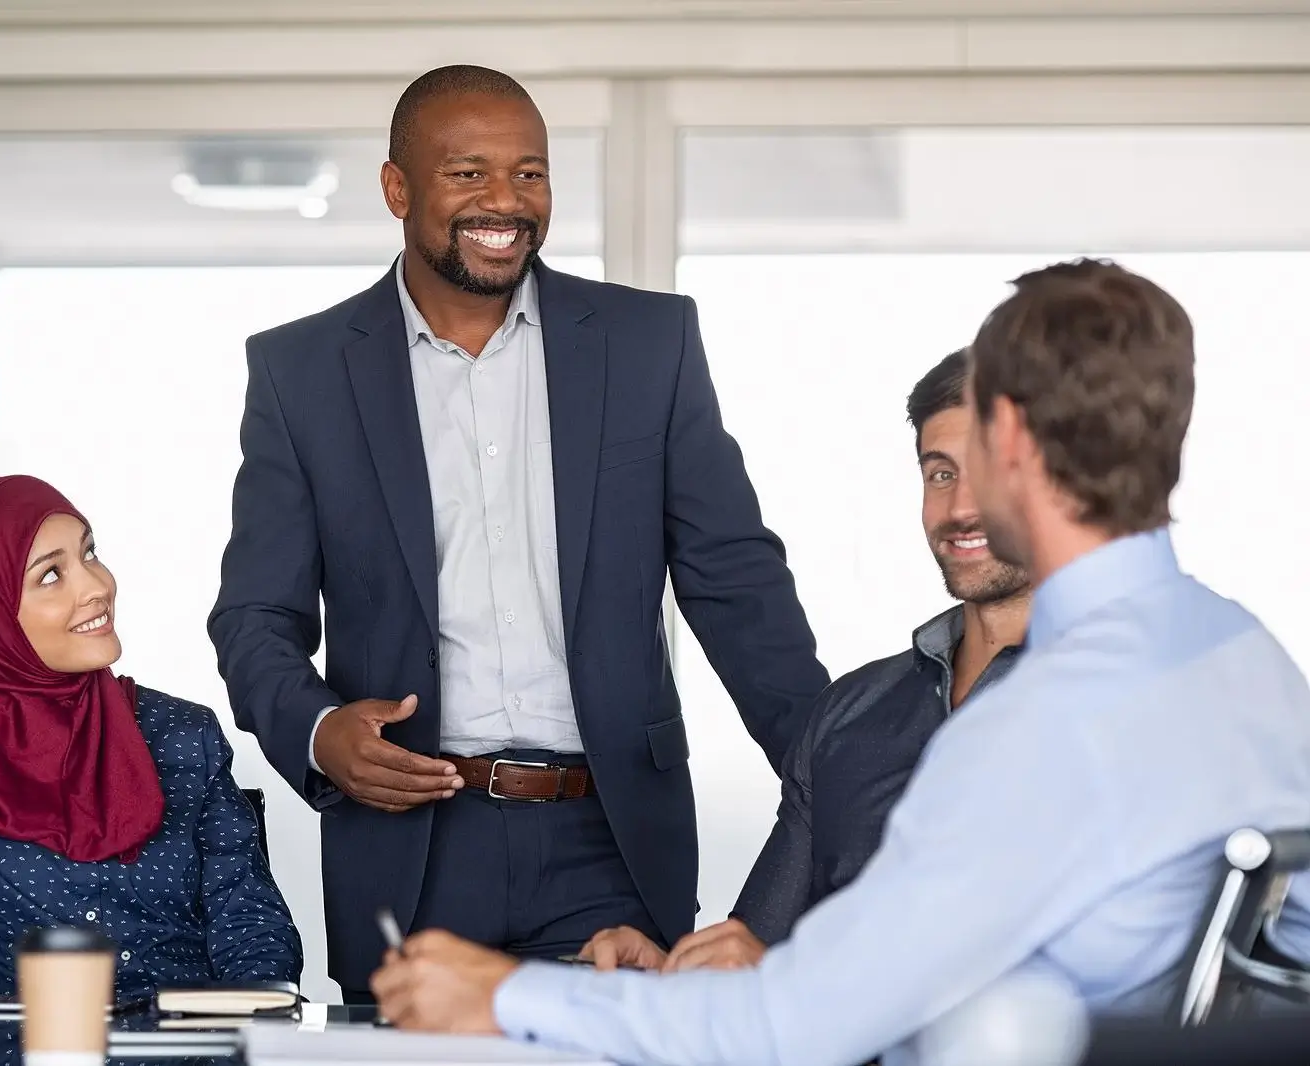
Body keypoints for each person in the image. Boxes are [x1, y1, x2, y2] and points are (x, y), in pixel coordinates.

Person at [368, 258, 1310, 1066]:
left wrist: (506, 996)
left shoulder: (1036, 727)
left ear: (1010, 438)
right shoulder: (1248, 661)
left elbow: (797, 1031)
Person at [209, 64, 828, 998]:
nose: (506, 201)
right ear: (397, 188)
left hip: (609, 837)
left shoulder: (647, 343)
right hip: (412, 841)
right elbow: (255, 616)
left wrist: (841, 767)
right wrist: (318, 727)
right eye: (468, 174)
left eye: (530, 174)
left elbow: (734, 579)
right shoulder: (302, 372)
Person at [582, 349, 1032, 974]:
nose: (960, 509)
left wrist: (788, 984)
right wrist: (668, 978)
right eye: (941, 473)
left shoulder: (1133, 706)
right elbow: (754, 958)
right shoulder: (850, 715)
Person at [0, 475, 302, 1000]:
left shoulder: (184, 734)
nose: (98, 585)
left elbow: (249, 919)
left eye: (89, 552)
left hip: (188, 1050)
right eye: (51, 575)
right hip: (1, 1051)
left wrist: (254, 1017)